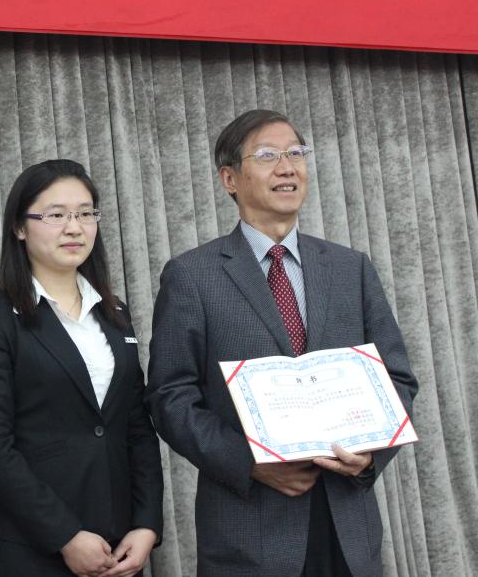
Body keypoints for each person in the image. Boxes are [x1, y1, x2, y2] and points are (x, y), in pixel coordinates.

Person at [145, 109, 419, 576]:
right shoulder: (192, 275)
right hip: (250, 531)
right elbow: (170, 396)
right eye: (268, 156)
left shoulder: (350, 267)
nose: (287, 167)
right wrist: (249, 462)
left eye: (296, 153)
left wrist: (370, 456)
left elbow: (397, 377)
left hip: (348, 528)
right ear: (230, 178)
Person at [0, 159, 164, 577]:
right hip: (33, 548)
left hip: (119, 546)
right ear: (19, 227)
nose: (75, 228)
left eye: (86, 214)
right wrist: (65, 535)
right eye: (56, 215)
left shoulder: (115, 312)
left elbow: (136, 427)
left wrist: (146, 524)